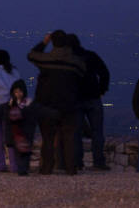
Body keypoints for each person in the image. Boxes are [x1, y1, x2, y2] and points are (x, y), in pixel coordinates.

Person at [0, 79, 59, 176]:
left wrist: (58, 115)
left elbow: (44, 111)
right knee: (18, 155)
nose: (18, 94)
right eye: (16, 91)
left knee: (24, 155)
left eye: (20, 91)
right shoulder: (8, 106)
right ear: (13, 92)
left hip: (26, 136)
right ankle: (21, 170)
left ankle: (22, 171)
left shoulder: (30, 105)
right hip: (13, 136)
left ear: (24, 92)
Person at [27, 30, 85, 175]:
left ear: (53, 42)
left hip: (46, 105)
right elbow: (82, 73)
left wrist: (44, 42)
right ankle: (71, 169)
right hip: (70, 105)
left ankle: (47, 168)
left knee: (47, 139)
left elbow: (31, 55)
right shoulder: (76, 63)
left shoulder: (45, 60)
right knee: (69, 138)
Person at [68, 34, 111, 171]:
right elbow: (104, 72)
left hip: (76, 99)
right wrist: (101, 89)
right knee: (97, 131)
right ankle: (98, 162)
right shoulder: (91, 56)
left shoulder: (69, 59)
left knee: (76, 132)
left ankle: (77, 162)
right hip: (93, 97)